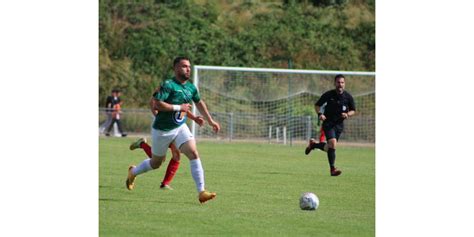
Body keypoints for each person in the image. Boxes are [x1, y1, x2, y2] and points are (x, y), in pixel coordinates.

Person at [125, 56, 220, 203]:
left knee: (193, 153)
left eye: (188, 66)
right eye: (183, 66)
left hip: (180, 127)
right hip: (162, 130)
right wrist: (178, 107)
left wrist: (210, 120)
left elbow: (199, 102)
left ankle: (201, 192)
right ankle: (133, 172)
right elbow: (156, 103)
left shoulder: (191, 87)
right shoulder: (168, 85)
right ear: (175, 68)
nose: (187, 69)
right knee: (156, 163)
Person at [129, 108, 205, 190]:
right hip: (163, 129)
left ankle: (165, 183)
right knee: (158, 160)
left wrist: (192, 118)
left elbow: (183, 110)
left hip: (176, 128)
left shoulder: (184, 97)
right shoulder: (165, 96)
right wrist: (161, 119)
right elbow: (155, 105)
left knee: (176, 155)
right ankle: (142, 144)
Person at [305, 74, 356, 176]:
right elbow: (317, 105)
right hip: (328, 123)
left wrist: (347, 114)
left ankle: (314, 145)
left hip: (339, 125)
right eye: (338, 82)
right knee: (332, 144)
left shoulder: (348, 97)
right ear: (334, 83)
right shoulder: (329, 95)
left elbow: (353, 110)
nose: (340, 84)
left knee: (329, 148)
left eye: (342, 82)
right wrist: (320, 114)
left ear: (344, 84)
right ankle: (332, 169)